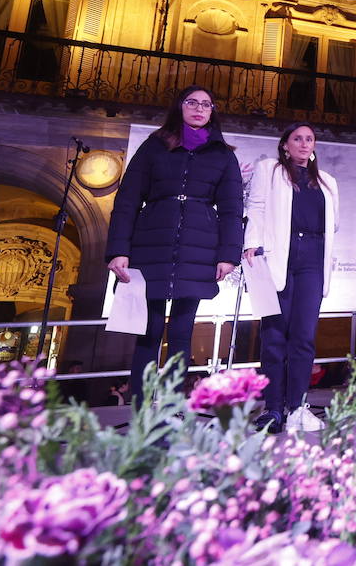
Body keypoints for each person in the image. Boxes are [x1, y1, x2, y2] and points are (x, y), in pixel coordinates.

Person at [106, 85, 243, 407]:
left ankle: (170, 407)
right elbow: (127, 200)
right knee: (149, 332)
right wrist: (117, 250)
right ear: (179, 106)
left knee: (182, 334)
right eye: (192, 102)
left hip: (199, 248)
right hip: (151, 243)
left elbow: (232, 209)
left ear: (213, 111)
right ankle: (141, 410)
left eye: (206, 104)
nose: (199, 109)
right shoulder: (154, 146)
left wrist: (227, 255)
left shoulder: (222, 154)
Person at [243, 123, 339, 434]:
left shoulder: (327, 181)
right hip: (278, 257)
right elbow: (255, 207)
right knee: (274, 336)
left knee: (304, 336)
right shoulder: (269, 170)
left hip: (313, 258)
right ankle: (273, 408)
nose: (304, 143)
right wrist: (251, 244)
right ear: (285, 144)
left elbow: (333, 225)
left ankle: (298, 407)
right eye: (297, 138)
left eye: (309, 138)